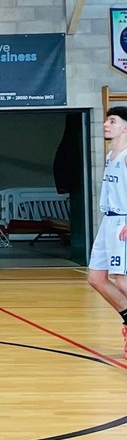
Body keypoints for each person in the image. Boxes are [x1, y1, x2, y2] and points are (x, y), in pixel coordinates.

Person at [87, 106, 127, 359]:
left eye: (112, 121)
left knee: (122, 280)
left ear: (125, 127)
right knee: (96, 278)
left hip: (123, 221)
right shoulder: (111, 155)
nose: (105, 124)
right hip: (108, 221)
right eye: (106, 120)